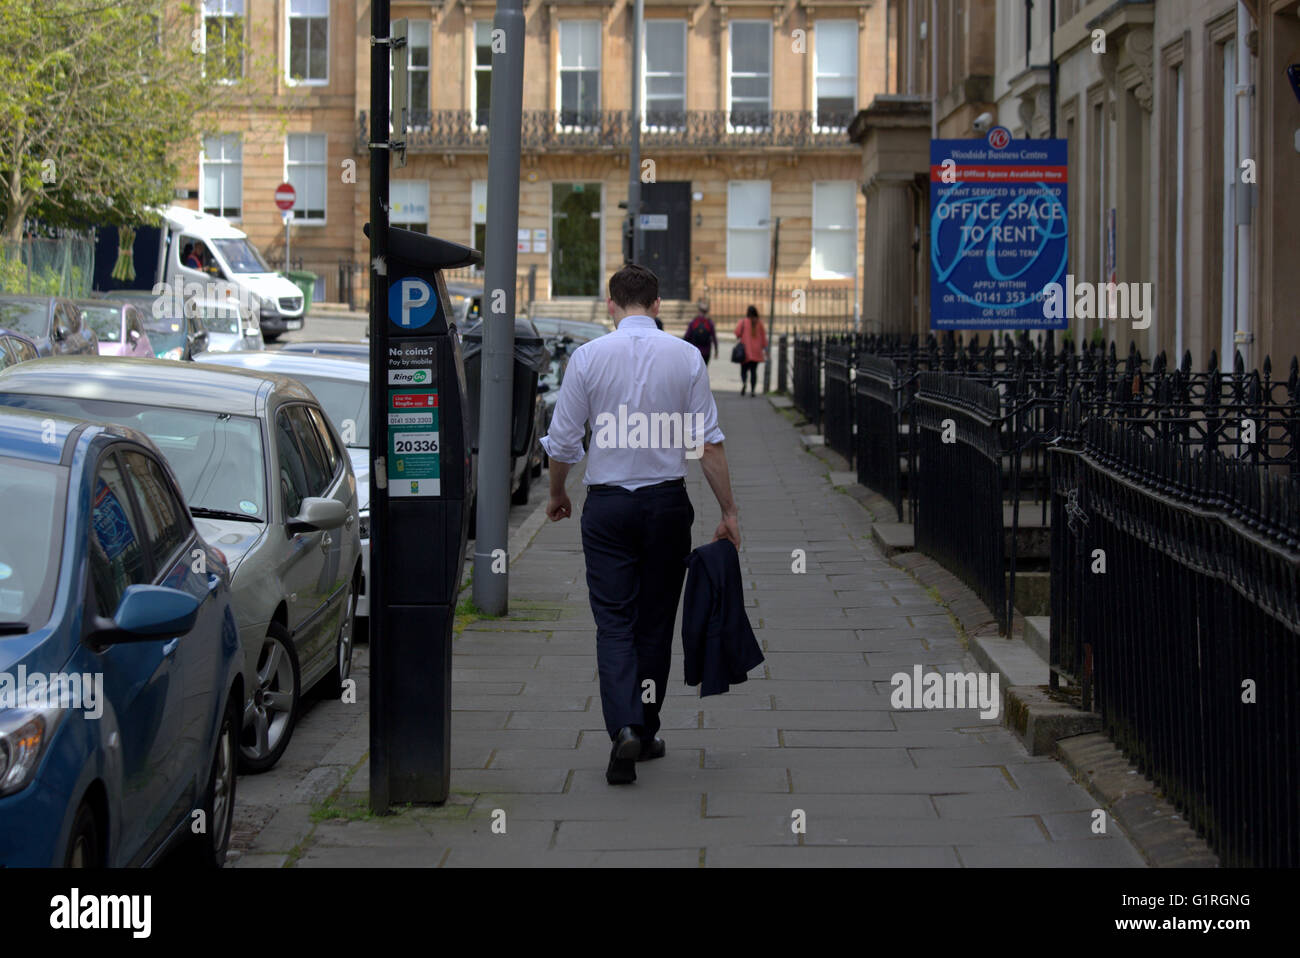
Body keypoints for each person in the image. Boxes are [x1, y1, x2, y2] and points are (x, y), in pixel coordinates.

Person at [541, 263, 741, 786]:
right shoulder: (687, 357)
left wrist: (558, 492)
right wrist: (728, 511)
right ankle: (645, 729)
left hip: (607, 508)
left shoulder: (587, 358)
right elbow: (707, 444)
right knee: (654, 626)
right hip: (665, 506)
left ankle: (625, 727)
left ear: (611, 305)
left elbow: (564, 442)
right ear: (657, 306)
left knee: (614, 624)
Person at [734, 304, 767, 396]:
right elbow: (764, 338)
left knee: (744, 370)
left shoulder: (743, 322)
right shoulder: (759, 323)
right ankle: (752, 390)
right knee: (753, 371)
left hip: (746, 352)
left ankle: (744, 383)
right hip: (756, 352)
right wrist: (766, 350)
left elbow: (737, 333)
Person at [683, 299, 718, 365]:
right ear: (707, 312)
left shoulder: (694, 322)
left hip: (695, 350)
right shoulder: (710, 323)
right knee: (704, 369)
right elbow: (714, 338)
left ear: (699, 311)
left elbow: (687, 336)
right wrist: (716, 351)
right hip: (706, 351)